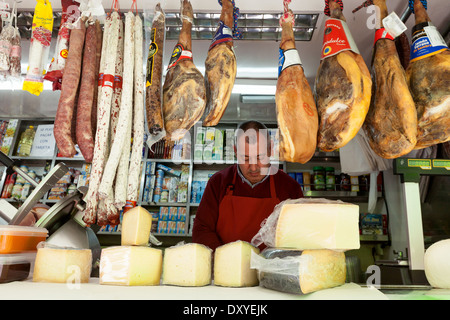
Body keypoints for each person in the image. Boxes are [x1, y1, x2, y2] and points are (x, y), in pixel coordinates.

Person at [192, 120, 303, 250]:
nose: (254, 167)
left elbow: (298, 235)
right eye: (245, 158)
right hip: (227, 267)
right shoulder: (218, 182)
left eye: (260, 157)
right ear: (235, 151)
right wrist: (222, 258)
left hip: (270, 267)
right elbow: (202, 229)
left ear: (270, 149)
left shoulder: (290, 187)